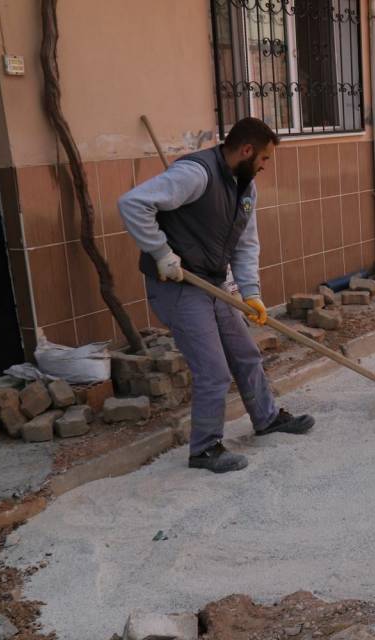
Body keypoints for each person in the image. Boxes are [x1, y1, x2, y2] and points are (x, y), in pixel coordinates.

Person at [120, 117, 314, 474]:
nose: (265, 166)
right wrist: (162, 254)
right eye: (265, 159)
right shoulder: (196, 175)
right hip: (178, 287)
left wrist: (251, 293)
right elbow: (133, 203)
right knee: (213, 372)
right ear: (246, 150)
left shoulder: (245, 187)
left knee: (245, 353)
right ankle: (205, 450)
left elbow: (245, 243)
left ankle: (267, 419)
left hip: (212, 284)